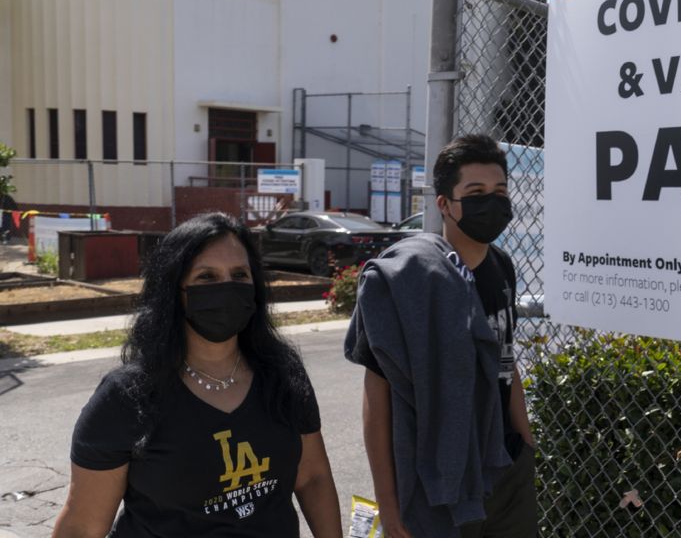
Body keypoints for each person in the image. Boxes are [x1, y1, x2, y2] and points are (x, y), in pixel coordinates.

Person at [52, 212, 342, 538]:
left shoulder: (282, 375)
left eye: (239, 274)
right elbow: (82, 526)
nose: (226, 288)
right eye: (206, 277)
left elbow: (312, 478)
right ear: (173, 290)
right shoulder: (126, 397)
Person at [346, 134, 535, 537]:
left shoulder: (501, 266)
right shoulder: (408, 280)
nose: (493, 201)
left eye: (500, 191)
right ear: (445, 205)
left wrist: (526, 444)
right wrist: (388, 503)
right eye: (476, 192)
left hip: (506, 465)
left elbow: (506, 357)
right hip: (442, 477)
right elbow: (377, 400)